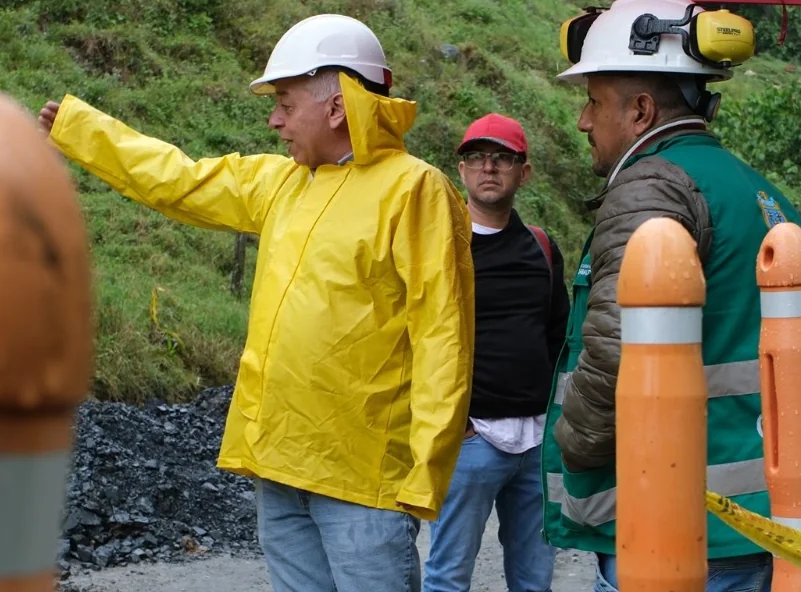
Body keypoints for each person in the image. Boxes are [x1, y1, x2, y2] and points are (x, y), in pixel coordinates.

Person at [38, 14, 476, 592]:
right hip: (278, 466)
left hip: (364, 482)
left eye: (286, 104)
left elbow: (443, 336)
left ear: (337, 106)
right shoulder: (282, 184)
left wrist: (424, 474)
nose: (274, 121)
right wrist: (81, 128)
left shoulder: (415, 190)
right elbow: (181, 180)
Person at [540, 1, 801, 591]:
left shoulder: (652, 189)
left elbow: (617, 353)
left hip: (670, 529)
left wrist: (569, 443)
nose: (584, 121)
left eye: (593, 100)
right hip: (752, 521)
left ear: (639, 110)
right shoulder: (757, 189)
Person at [422, 113, 569, 592]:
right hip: (471, 441)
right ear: (461, 171)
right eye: (477, 158)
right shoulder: (441, 246)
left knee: (534, 582)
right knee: (448, 577)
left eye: (502, 158)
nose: (489, 167)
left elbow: (558, 337)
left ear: (522, 172)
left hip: (535, 444)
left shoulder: (541, 247)